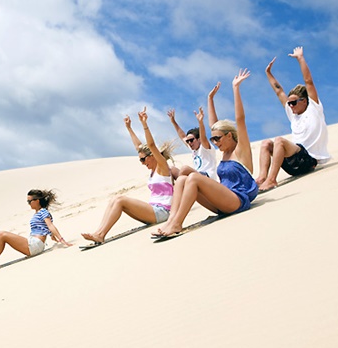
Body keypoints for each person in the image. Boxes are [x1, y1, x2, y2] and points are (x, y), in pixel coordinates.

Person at [155, 69, 258, 237]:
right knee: (181, 179)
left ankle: (176, 224)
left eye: (217, 139)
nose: (214, 142)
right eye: (213, 139)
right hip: (221, 202)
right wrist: (210, 99)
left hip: (237, 201)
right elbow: (213, 125)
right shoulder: (223, 152)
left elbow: (240, 120)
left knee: (193, 177)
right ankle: (171, 220)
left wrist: (235, 88)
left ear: (229, 135)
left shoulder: (241, 151)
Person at [81, 107, 174, 244]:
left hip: (162, 212)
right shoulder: (153, 171)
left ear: (152, 156)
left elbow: (151, 145)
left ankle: (100, 235)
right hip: (152, 210)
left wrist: (144, 124)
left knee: (120, 199)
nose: (142, 163)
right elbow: (139, 147)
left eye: (143, 159)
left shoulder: (162, 167)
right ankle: (98, 232)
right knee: (114, 200)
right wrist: (129, 128)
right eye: (140, 160)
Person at [256, 46, 331, 191]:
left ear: (304, 100)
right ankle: (261, 179)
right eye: (289, 103)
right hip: (293, 163)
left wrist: (300, 58)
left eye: (293, 102)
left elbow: (308, 81)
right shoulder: (293, 114)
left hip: (308, 161)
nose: (290, 106)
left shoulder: (313, 108)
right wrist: (268, 73)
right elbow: (279, 91)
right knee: (266, 143)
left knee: (279, 140)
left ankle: (272, 180)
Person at [0, 189, 70, 272]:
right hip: (34, 244)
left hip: (35, 245)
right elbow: (45, 227)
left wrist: (62, 240)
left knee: (2, 234)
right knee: (2, 235)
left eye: (30, 201)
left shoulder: (43, 211)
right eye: (27, 201)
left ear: (37, 201)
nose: (28, 203)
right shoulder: (38, 213)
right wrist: (52, 236)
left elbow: (50, 225)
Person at [167, 82, 220, 181]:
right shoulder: (193, 149)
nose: (189, 143)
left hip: (208, 178)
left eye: (191, 140)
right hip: (196, 177)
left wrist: (200, 122)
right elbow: (182, 136)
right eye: (188, 141)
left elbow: (203, 136)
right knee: (172, 169)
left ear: (198, 139)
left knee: (185, 169)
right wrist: (173, 122)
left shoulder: (205, 147)